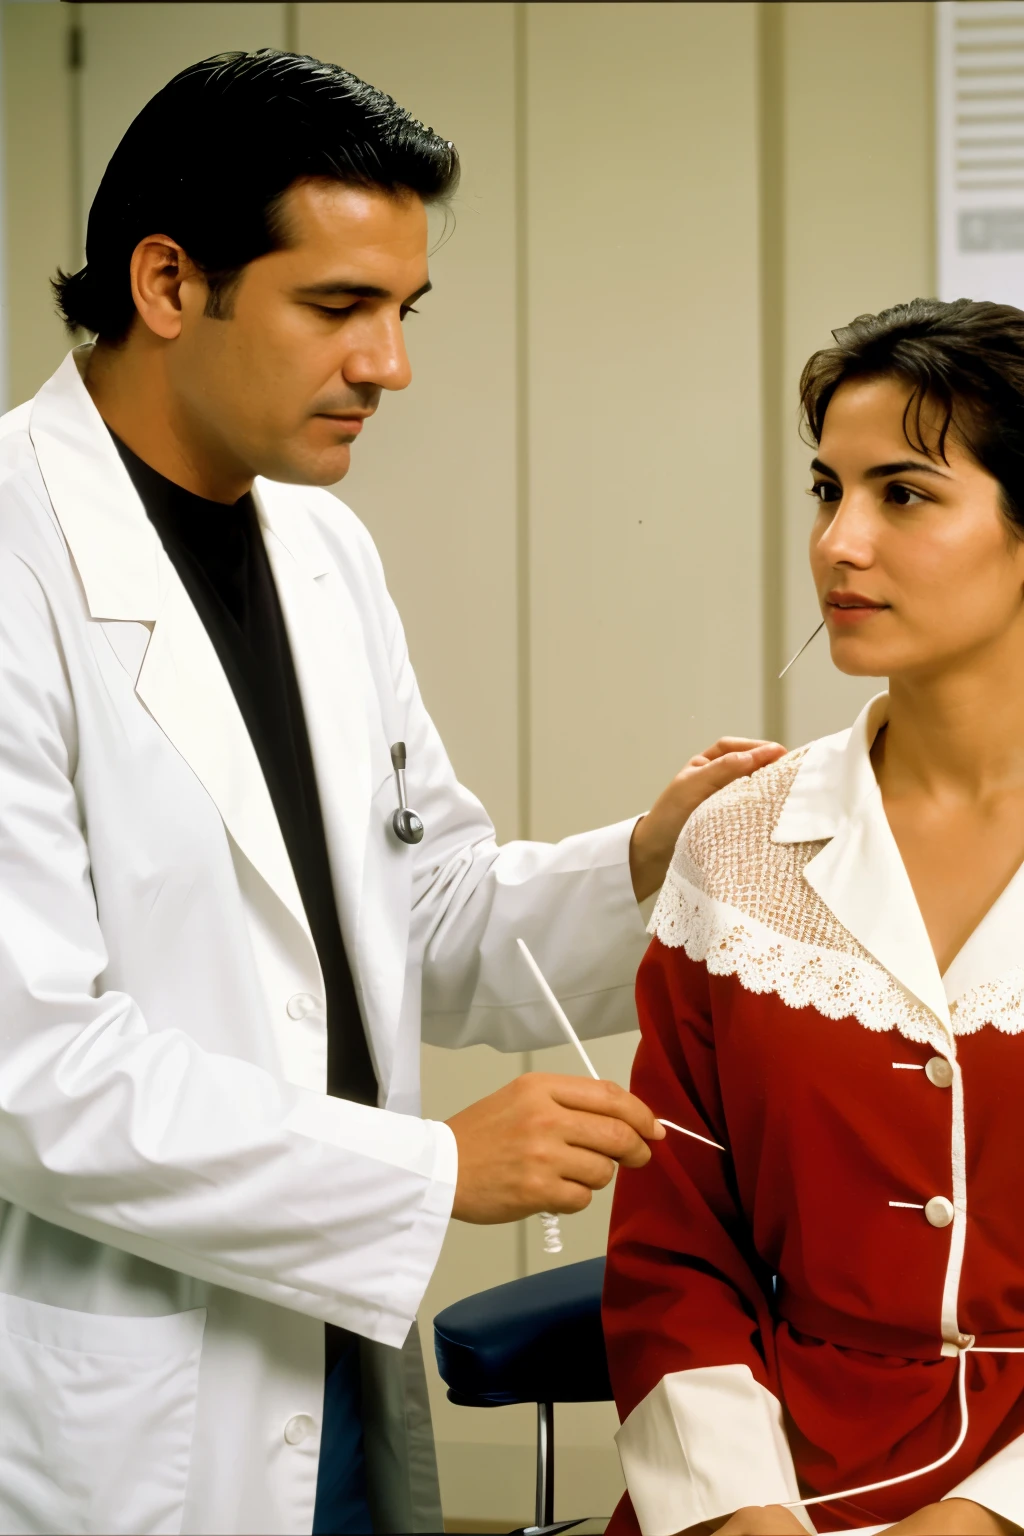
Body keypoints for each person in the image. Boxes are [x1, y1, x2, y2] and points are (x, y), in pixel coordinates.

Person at [0, 48, 783, 1536]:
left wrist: (647, 860)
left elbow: (411, 911)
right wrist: (432, 1166)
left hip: (330, 1352)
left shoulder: (320, 554)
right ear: (169, 284)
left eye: (402, 313)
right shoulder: (12, 560)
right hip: (126, 1409)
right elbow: (32, 1072)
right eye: (339, 308)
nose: (390, 366)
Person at [603, 297, 1024, 1536]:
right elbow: (673, 1247)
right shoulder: (740, 842)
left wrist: (980, 1519)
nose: (838, 543)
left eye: (902, 493)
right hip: (769, 1475)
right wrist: (742, 1513)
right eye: (825, 490)